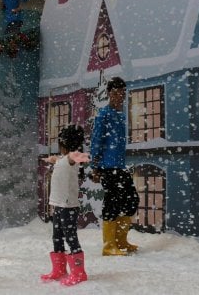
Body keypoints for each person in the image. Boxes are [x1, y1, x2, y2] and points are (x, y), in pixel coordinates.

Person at [90, 76, 139, 256]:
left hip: (120, 166)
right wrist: (95, 166)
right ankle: (109, 245)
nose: (120, 95)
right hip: (107, 166)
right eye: (116, 92)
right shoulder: (104, 114)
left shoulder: (120, 114)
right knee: (112, 202)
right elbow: (96, 140)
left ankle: (120, 240)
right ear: (110, 93)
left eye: (122, 92)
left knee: (131, 199)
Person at [40, 125, 91, 286]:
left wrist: (73, 149)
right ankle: (60, 269)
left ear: (65, 145)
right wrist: (50, 160)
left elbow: (83, 157)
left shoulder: (72, 158)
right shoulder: (62, 159)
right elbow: (56, 159)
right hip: (58, 204)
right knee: (57, 236)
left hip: (69, 206)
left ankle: (79, 272)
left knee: (71, 237)